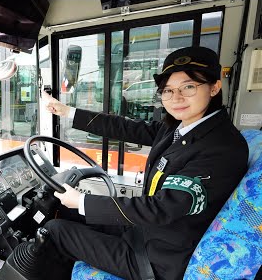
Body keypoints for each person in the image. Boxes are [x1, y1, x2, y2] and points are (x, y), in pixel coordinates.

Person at [37, 45, 248, 280]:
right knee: (66, 213)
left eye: (188, 87)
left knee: (55, 231)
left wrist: (83, 200)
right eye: (168, 90)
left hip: (158, 258)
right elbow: (127, 128)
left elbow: (162, 207)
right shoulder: (180, 127)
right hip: (147, 233)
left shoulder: (221, 147)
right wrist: (67, 112)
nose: (176, 98)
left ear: (214, 88)